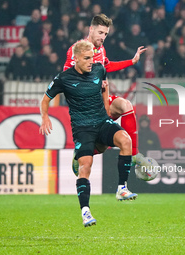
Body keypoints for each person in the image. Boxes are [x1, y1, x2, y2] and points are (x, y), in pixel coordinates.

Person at [39, 40, 137, 227]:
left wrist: (107, 112)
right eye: (86, 58)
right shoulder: (63, 78)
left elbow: (104, 88)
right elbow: (45, 99)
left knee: (126, 140)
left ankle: (121, 188)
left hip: (102, 122)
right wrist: (45, 117)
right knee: (85, 166)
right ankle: (86, 212)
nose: (91, 61)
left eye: (92, 57)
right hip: (82, 128)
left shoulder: (99, 69)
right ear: (75, 59)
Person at [64, 14, 149, 173]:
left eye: (105, 34)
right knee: (102, 145)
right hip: (86, 105)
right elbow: (66, 79)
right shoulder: (77, 50)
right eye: (100, 33)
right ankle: (80, 155)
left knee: (126, 105)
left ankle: (133, 155)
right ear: (91, 29)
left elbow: (107, 66)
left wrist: (132, 61)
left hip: (101, 98)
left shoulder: (100, 49)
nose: (103, 37)